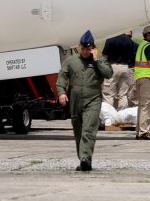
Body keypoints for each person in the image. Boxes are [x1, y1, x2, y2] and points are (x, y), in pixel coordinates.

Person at [57, 30, 113, 171]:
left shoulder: (99, 61)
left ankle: (85, 159)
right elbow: (62, 77)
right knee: (78, 131)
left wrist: (96, 60)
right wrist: (62, 93)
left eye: (89, 49)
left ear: (93, 48)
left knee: (88, 130)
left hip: (93, 99)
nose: (86, 52)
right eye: (83, 49)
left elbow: (108, 74)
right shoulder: (71, 61)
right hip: (75, 100)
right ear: (79, 47)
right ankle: (82, 158)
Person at [101, 29, 138, 110]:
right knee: (123, 94)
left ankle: (110, 114)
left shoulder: (111, 38)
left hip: (113, 67)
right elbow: (134, 52)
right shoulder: (128, 40)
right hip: (125, 68)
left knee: (109, 94)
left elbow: (104, 55)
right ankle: (121, 115)